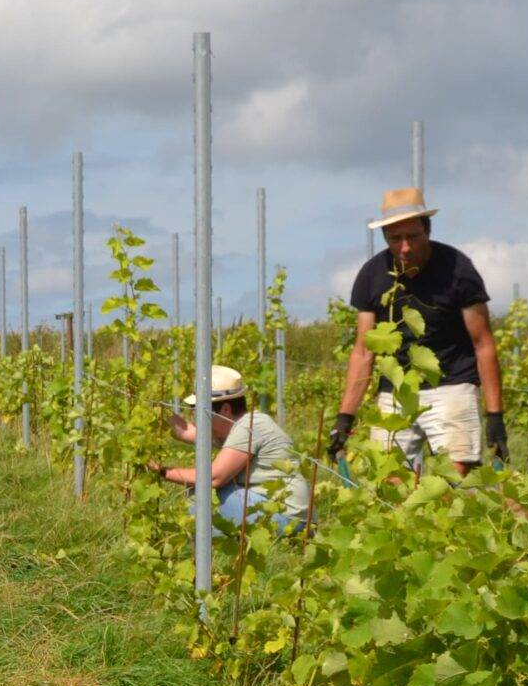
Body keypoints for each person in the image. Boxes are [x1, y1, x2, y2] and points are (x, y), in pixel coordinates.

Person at [330, 187, 508, 473]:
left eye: (412, 236)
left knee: (456, 479)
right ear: (385, 237)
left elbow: (483, 343)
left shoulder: (458, 270)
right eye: (395, 239)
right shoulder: (372, 276)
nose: (405, 247)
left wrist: (495, 415)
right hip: (396, 390)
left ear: (427, 230)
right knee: (389, 480)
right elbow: (364, 350)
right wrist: (344, 419)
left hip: (453, 385)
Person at [147, 364, 306, 530]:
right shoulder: (233, 427)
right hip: (274, 510)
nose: (195, 416)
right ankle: (211, 546)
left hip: (288, 519)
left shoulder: (250, 426)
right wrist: (157, 409)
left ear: (225, 409)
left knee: (205, 492)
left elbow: (214, 478)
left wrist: (161, 471)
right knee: (205, 491)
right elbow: (186, 432)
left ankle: (206, 547)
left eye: (200, 411)